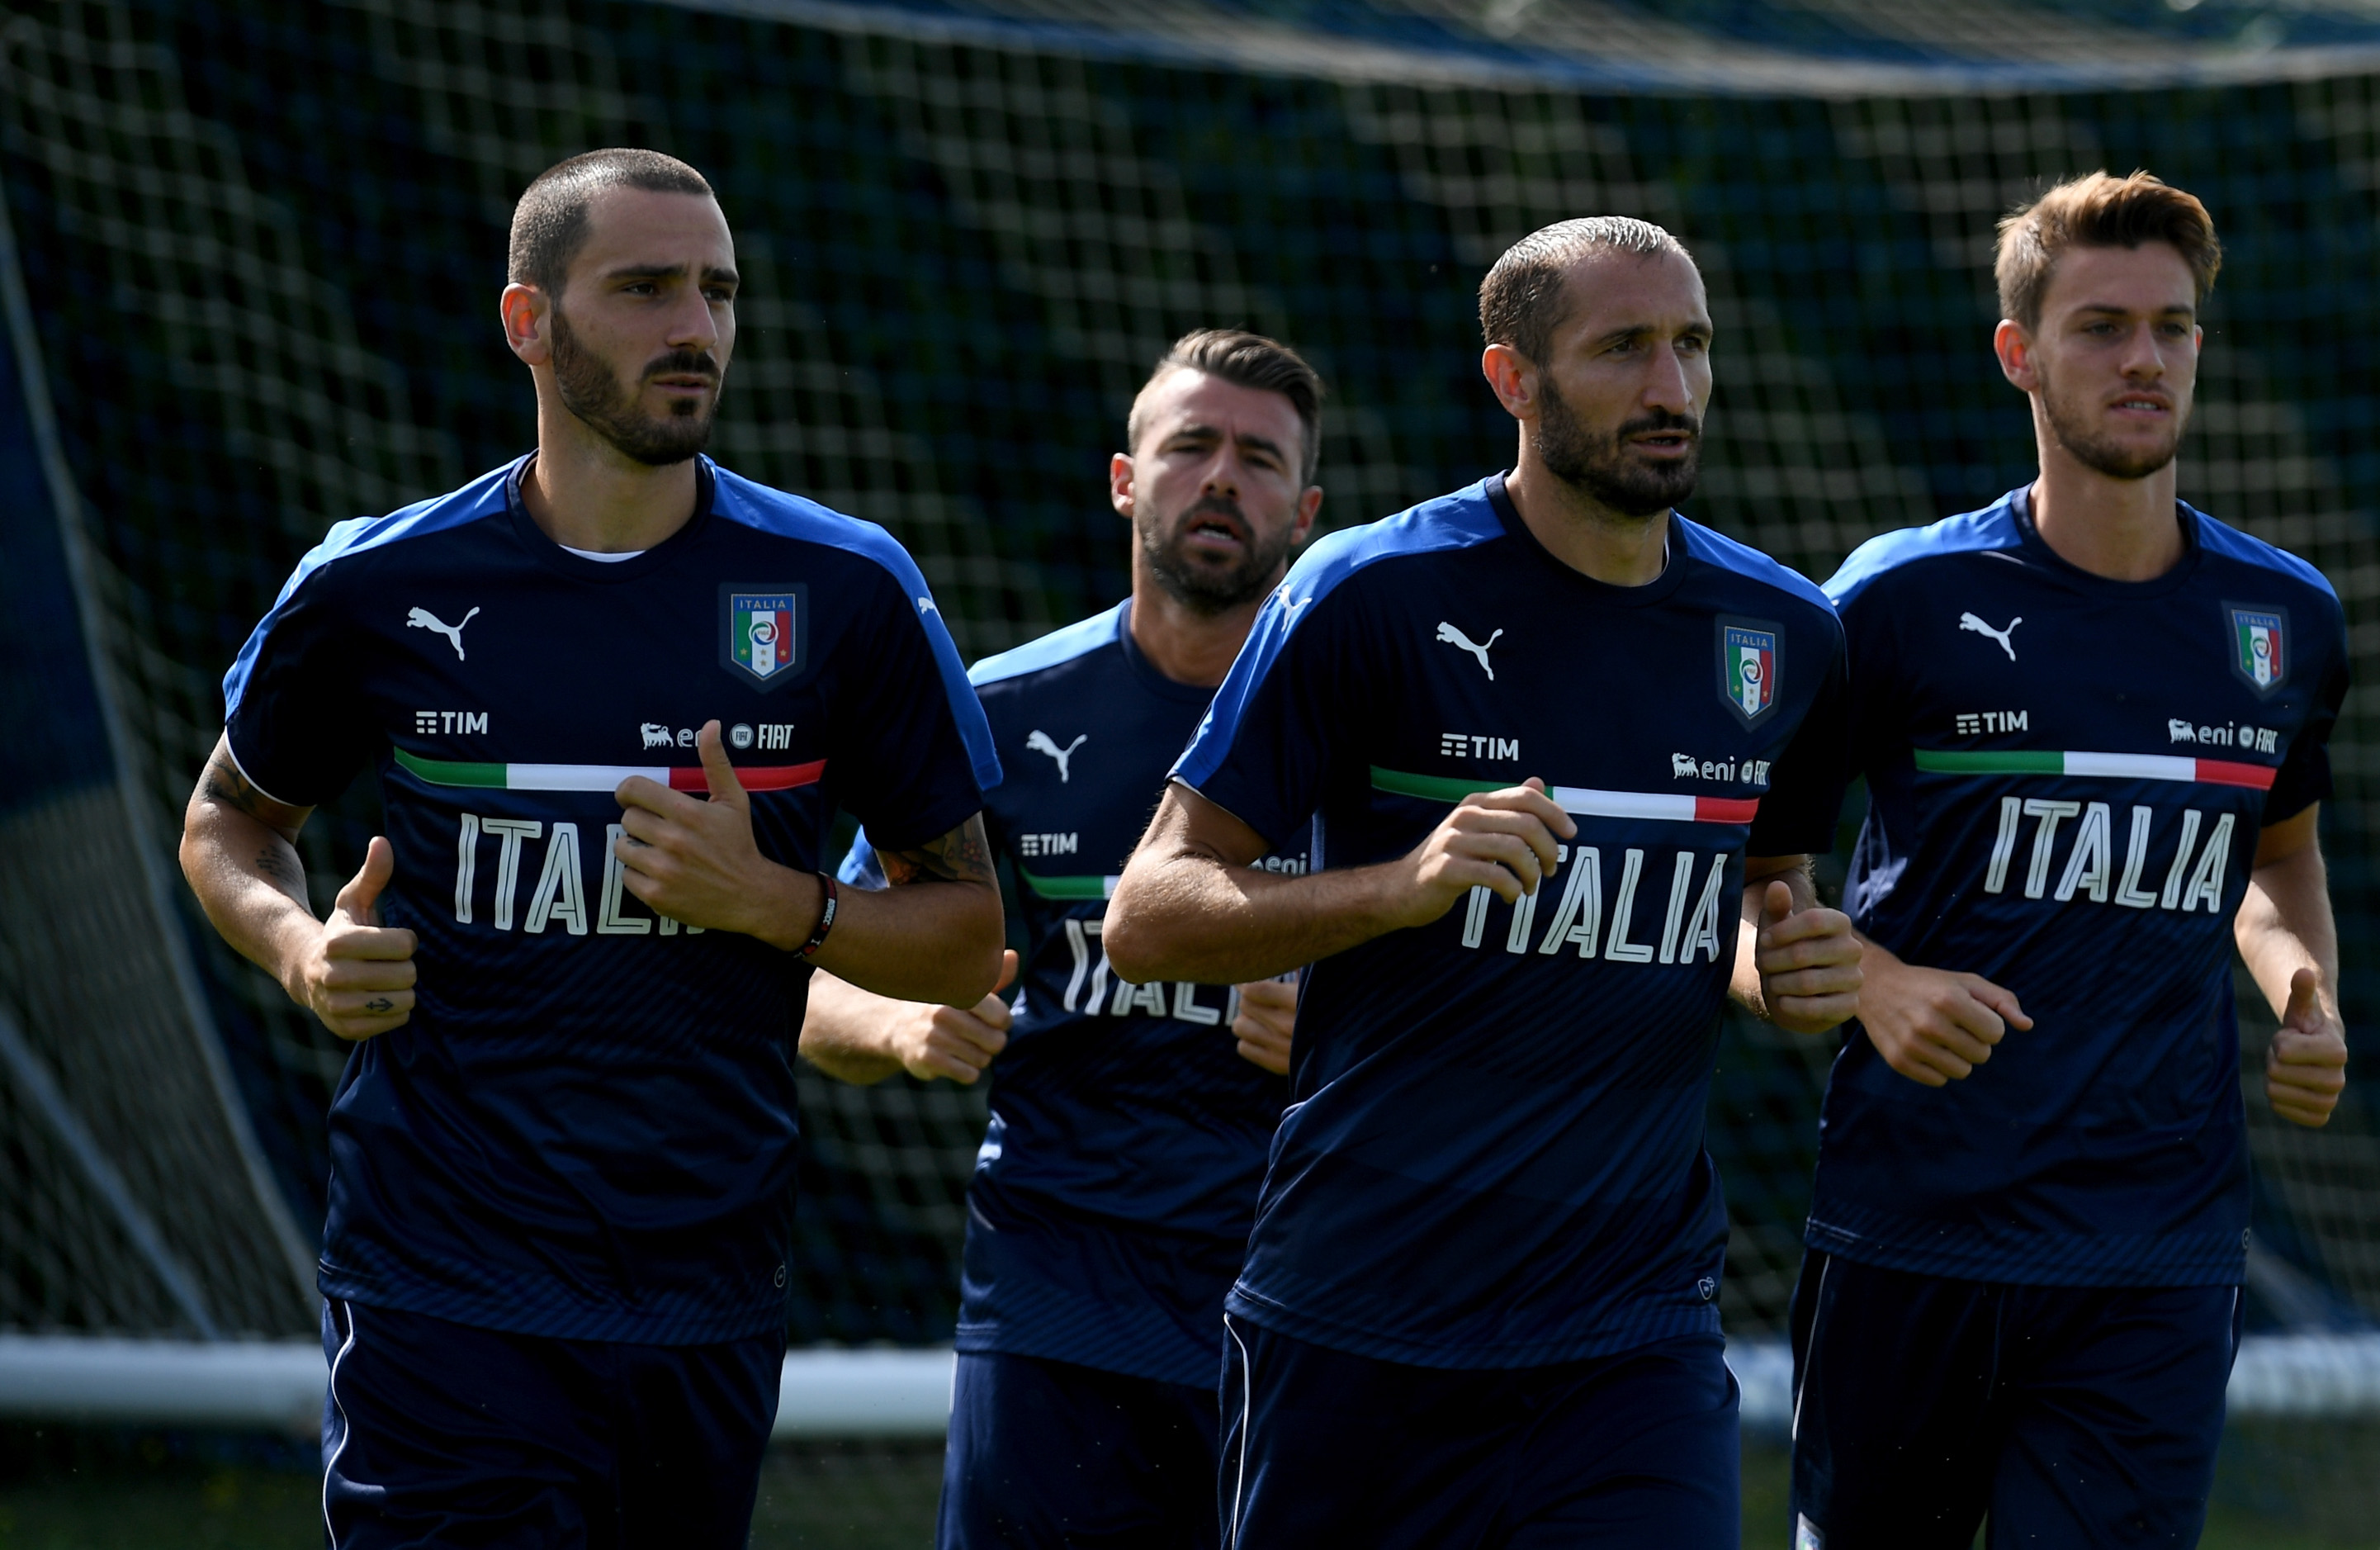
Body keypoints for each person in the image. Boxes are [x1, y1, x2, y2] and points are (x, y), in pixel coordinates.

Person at [177, 149, 1007, 1548]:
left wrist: (778, 902)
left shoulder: (845, 588)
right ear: (528, 323)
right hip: (441, 1284)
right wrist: (303, 947)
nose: (696, 326)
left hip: (706, 1292)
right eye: (645, 288)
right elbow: (230, 823)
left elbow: (968, 932)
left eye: (718, 291)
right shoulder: (381, 584)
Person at [1100, 217, 1865, 1548]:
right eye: (1623, 348)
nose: (1671, 388)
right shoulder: (1370, 592)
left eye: (1690, 346)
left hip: (1632, 1332)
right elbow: (1150, 913)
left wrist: (1785, 963)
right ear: (1513, 379)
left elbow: (1761, 891)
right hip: (1357, 1319)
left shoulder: (1784, 634)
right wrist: (1396, 887)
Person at [1788, 171, 2351, 1550]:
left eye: (2173, 325)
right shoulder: (1896, 601)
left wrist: (2303, 988)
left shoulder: (2283, 618)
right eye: (2102, 325)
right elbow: (1753, 896)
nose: (2145, 357)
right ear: (2018, 353)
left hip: (2152, 1249)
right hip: (1906, 1233)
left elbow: (2277, 861)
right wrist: (1872, 982)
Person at [802, 329, 1325, 1548]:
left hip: (1306, 1299)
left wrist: (1350, 1023)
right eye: (1189, 445)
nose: (1220, 478)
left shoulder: (1367, 726)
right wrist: (899, 1021)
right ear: (1124, 479)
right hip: (1054, 1297)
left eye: (1257, 459)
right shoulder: (999, 713)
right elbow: (810, 976)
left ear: (1303, 511)